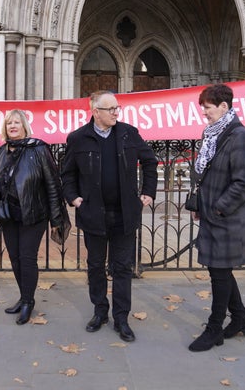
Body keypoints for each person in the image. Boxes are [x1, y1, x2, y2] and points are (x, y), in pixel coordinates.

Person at [61, 90, 158, 342]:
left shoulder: (129, 133)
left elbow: (150, 162)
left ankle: (122, 317)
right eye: (111, 108)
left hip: (124, 214)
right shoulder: (78, 138)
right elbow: (67, 173)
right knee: (95, 266)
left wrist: (148, 191)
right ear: (96, 112)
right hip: (94, 214)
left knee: (122, 267)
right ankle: (100, 311)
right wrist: (73, 197)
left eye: (117, 108)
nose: (116, 112)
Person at [0, 109, 71, 325]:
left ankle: (28, 302)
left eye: (17, 123)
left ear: (24, 127)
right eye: (9, 123)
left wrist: (57, 219)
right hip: (8, 215)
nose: (12, 126)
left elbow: (52, 185)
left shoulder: (38, 149)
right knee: (15, 258)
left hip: (34, 214)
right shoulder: (1, 151)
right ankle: (23, 297)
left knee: (27, 258)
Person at [188, 83, 245, 352]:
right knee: (220, 270)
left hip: (227, 218)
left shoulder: (238, 135)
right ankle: (241, 318)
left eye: (207, 108)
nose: (204, 113)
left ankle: (214, 328)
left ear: (224, 107)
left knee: (219, 272)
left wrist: (217, 208)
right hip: (214, 215)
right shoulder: (214, 134)